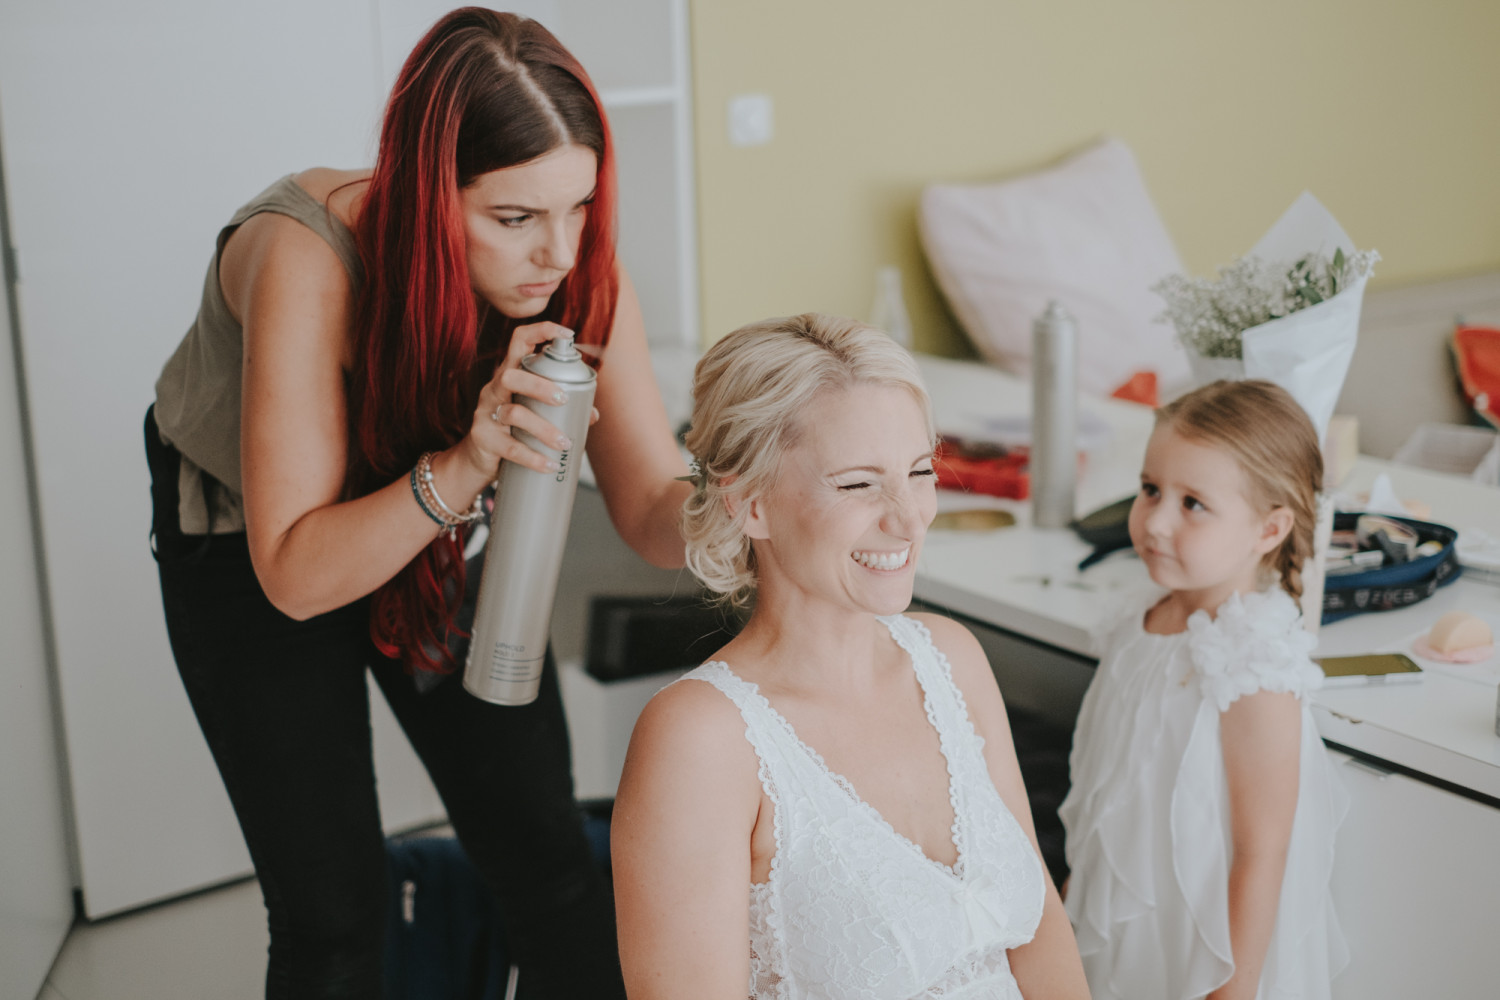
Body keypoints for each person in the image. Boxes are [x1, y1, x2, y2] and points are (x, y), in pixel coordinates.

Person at [145, 9, 689, 998]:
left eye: (578, 207)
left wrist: (742, 498)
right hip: (253, 540)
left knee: (549, 859)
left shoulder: (576, 267)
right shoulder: (305, 257)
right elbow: (300, 576)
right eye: (514, 218)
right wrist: (475, 455)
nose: (558, 255)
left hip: (444, 514)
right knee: (334, 917)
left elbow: (653, 507)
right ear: (427, 200)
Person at [611, 314, 1090, 999]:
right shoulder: (701, 739)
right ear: (749, 504)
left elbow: (1041, 938)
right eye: (859, 484)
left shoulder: (952, 658)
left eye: (920, 471)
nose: (909, 516)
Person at [1058, 379, 1348, 1000]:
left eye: (1194, 504)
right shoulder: (1139, 615)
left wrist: (1229, 991)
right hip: (1131, 918)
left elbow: (1260, 852)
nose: (1155, 521)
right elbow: (1109, 788)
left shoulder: (1253, 662)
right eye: (1150, 489)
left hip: (1209, 944)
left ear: (1269, 530)